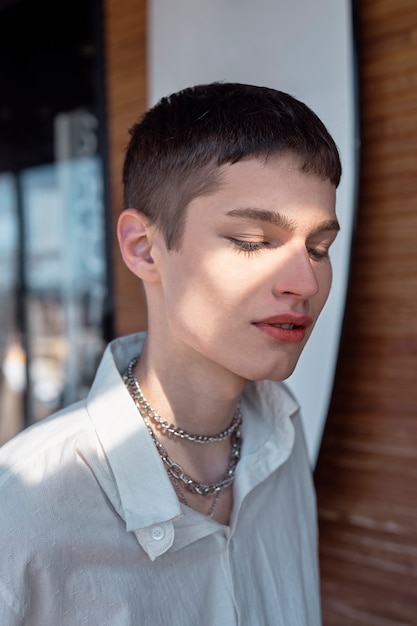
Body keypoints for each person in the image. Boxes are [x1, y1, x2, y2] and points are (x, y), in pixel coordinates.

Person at [0, 82, 341, 625]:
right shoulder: (26, 506)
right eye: (253, 240)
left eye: (319, 248)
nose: (304, 281)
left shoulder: (282, 435)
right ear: (143, 249)